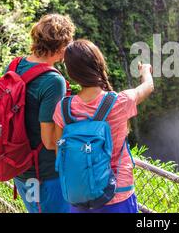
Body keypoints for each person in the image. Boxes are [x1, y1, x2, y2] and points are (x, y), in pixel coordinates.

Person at [53, 39, 154, 213]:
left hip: (79, 196)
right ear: (99, 64)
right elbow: (148, 86)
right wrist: (145, 71)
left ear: (71, 73)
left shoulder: (63, 108)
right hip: (118, 194)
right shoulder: (120, 102)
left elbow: (59, 151)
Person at [12, 14, 75, 213]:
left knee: (35, 210)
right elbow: (49, 141)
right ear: (62, 47)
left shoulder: (16, 65)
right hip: (44, 174)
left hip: (20, 167)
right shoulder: (53, 81)